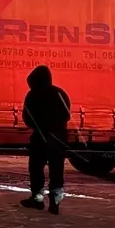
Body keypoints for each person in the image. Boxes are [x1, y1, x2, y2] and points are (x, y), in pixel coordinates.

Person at [21, 65, 72, 215]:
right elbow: (67, 115)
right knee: (57, 172)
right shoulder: (59, 93)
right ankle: (55, 204)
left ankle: (37, 200)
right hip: (58, 139)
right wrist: (55, 127)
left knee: (36, 169)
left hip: (40, 139)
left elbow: (27, 117)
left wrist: (41, 127)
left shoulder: (32, 95)